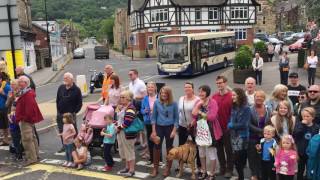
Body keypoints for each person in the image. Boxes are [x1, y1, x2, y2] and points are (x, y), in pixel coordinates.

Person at [192, 85, 222, 180]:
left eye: (203, 91)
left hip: (210, 130)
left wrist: (200, 113)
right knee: (201, 152)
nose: (200, 93)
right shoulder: (198, 102)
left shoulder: (213, 102)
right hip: (200, 130)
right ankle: (204, 171)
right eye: (199, 91)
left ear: (207, 92)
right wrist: (198, 106)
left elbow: (212, 117)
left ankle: (212, 174)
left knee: (211, 152)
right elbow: (193, 114)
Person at [150, 86, 179, 178]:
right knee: (156, 146)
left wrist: (174, 130)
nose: (163, 95)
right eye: (162, 93)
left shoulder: (174, 103)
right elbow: (153, 117)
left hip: (170, 128)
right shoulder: (157, 102)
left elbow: (176, 119)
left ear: (169, 94)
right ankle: (155, 168)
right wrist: (154, 131)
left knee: (169, 147)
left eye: (165, 93)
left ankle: (168, 168)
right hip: (159, 127)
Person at [16, 76, 43, 165]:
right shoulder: (26, 92)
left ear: (26, 83)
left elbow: (30, 109)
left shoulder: (27, 94)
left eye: (21, 82)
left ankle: (31, 158)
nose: (18, 83)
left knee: (27, 139)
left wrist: (24, 118)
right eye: (18, 81)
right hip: (27, 119)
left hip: (26, 120)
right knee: (32, 138)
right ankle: (35, 156)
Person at [212, 76, 233, 178]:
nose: (219, 85)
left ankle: (229, 169)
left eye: (221, 83)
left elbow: (234, 112)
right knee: (219, 149)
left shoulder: (231, 96)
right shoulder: (214, 96)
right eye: (217, 83)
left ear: (225, 83)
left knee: (228, 150)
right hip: (217, 128)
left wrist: (231, 125)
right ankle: (222, 168)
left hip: (227, 128)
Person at [248, 90, 272, 180]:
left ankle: (262, 174)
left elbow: (270, 122)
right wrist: (262, 131)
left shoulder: (268, 109)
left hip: (265, 138)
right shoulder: (249, 109)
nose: (259, 98)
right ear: (254, 98)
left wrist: (267, 133)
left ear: (264, 99)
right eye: (257, 96)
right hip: (252, 137)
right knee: (252, 156)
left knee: (263, 156)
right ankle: (254, 174)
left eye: (261, 96)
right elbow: (248, 124)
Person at [227, 88, 251, 180]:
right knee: (238, 160)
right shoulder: (233, 106)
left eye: (234, 95)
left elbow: (244, 124)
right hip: (233, 136)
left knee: (237, 160)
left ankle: (241, 177)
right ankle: (240, 176)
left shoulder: (246, 108)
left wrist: (231, 125)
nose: (232, 97)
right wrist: (229, 124)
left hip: (242, 137)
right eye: (231, 95)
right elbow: (230, 119)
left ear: (239, 96)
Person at [56, 72, 82, 153]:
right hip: (60, 114)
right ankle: (64, 145)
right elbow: (57, 100)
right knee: (62, 131)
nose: (65, 79)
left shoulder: (77, 89)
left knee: (72, 131)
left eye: (67, 78)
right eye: (64, 78)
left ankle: (75, 146)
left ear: (71, 79)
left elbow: (79, 103)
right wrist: (58, 110)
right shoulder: (61, 87)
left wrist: (74, 112)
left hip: (70, 115)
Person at [293, 107, 320, 180]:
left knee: (310, 169)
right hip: (301, 152)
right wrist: (302, 125)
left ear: (313, 117)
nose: (305, 118)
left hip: (311, 153)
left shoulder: (316, 127)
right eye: (304, 116)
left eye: (308, 116)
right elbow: (296, 135)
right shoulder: (299, 125)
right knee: (300, 170)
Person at [116, 90, 138, 177]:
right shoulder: (124, 107)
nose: (121, 99)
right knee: (125, 151)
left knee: (129, 151)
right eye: (120, 97)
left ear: (128, 99)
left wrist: (118, 127)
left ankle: (131, 170)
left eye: (123, 97)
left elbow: (127, 122)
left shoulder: (130, 108)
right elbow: (121, 120)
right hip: (123, 132)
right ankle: (127, 167)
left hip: (128, 134)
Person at [128, 69, 147, 148]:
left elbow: (145, 96)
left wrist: (135, 97)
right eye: (129, 74)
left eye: (131, 74)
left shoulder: (140, 83)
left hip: (140, 105)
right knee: (135, 123)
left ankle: (145, 143)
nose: (129, 76)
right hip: (133, 105)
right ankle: (138, 140)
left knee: (141, 125)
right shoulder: (130, 84)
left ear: (136, 74)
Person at [141, 82, 158, 163]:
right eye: (148, 87)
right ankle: (151, 158)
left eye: (151, 87)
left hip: (158, 123)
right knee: (150, 141)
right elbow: (142, 110)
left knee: (157, 141)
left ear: (155, 88)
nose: (150, 89)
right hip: (148, 122)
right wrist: (145, 111)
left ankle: (159, 159)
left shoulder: (158, 98)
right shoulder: (145, 98)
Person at [6, 79, 22, 160]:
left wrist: (15, 96)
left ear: (18, 84)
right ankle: (18, 153)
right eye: (11, 84)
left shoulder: (20, 92)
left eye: (13, 84)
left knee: (21, 135)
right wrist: (9, 98)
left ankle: (21, 151)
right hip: (12, 117)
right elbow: (6, 105)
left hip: (19, 116)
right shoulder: (10, 92)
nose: (12, 86)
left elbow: (19, 104)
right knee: (14, 135)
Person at [0, 73, 11, 145]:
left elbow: (11, 97)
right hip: (0, 109)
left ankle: (7, 139)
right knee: (2, 125)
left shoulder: (7, 87)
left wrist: (3, 93)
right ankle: (5, 140)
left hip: (5, 108)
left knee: (6, 125)